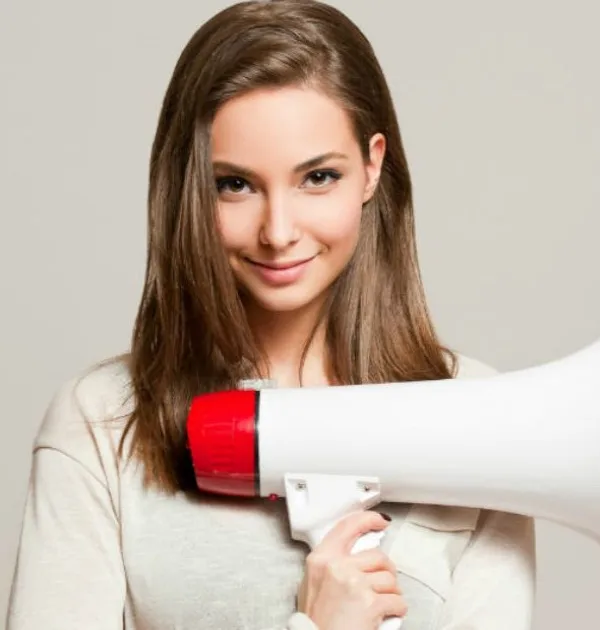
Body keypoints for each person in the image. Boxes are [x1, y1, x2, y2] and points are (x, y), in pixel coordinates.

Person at [5, 1, 537, 628]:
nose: (278, 231)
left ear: (371, 167)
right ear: (187, 187)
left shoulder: (487, 426)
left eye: (317, 176)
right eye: (234, 184)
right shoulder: (103, 424)